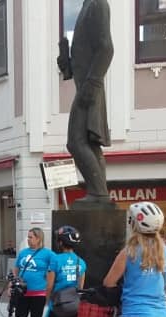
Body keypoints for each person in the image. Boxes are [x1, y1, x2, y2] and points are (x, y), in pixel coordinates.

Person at [58, 0, 114, 205]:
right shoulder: (86, 7)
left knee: (76, 141)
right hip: (86, 84)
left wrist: (93, 81)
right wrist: (67, 63)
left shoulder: (97, 4)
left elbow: (106, 48)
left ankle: (98, 193)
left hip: (89, 87)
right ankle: (100, 193)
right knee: (90, 142)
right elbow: (85, 57)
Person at [12, 227, 54, 317]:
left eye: (31, 237)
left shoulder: (48, 254)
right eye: (28, 237)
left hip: (38, 294)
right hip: (22, 293)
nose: (28, 239)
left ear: (39, 238)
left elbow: (55, 268)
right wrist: (14, 282)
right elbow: (16, 268)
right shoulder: (23, 253)